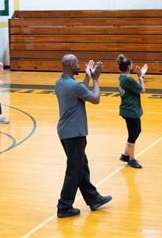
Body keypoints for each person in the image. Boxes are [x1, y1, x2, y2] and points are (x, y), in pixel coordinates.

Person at [54, 54, 112, 218]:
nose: (79, 65)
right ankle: (64, 206)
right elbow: (95, 99)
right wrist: (95, 79)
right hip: (74, 133)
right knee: (74, 170)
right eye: (77, 63)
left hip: (66, 132)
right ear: (71, 65)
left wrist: (86, 76)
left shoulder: (61, 83)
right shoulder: (74, 86)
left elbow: (79, 91)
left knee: (81, 167)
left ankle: (94, 199)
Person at [117, 54, 147, 169]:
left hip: (128, 109)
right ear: (129, 67)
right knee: (132, 135)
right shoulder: (128, 79)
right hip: (130, 110)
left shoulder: (122, 77)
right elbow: (142, 90)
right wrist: (141, 76)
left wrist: (139, 76)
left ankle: (125, 155)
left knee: (137, 131)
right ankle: (131, 159)